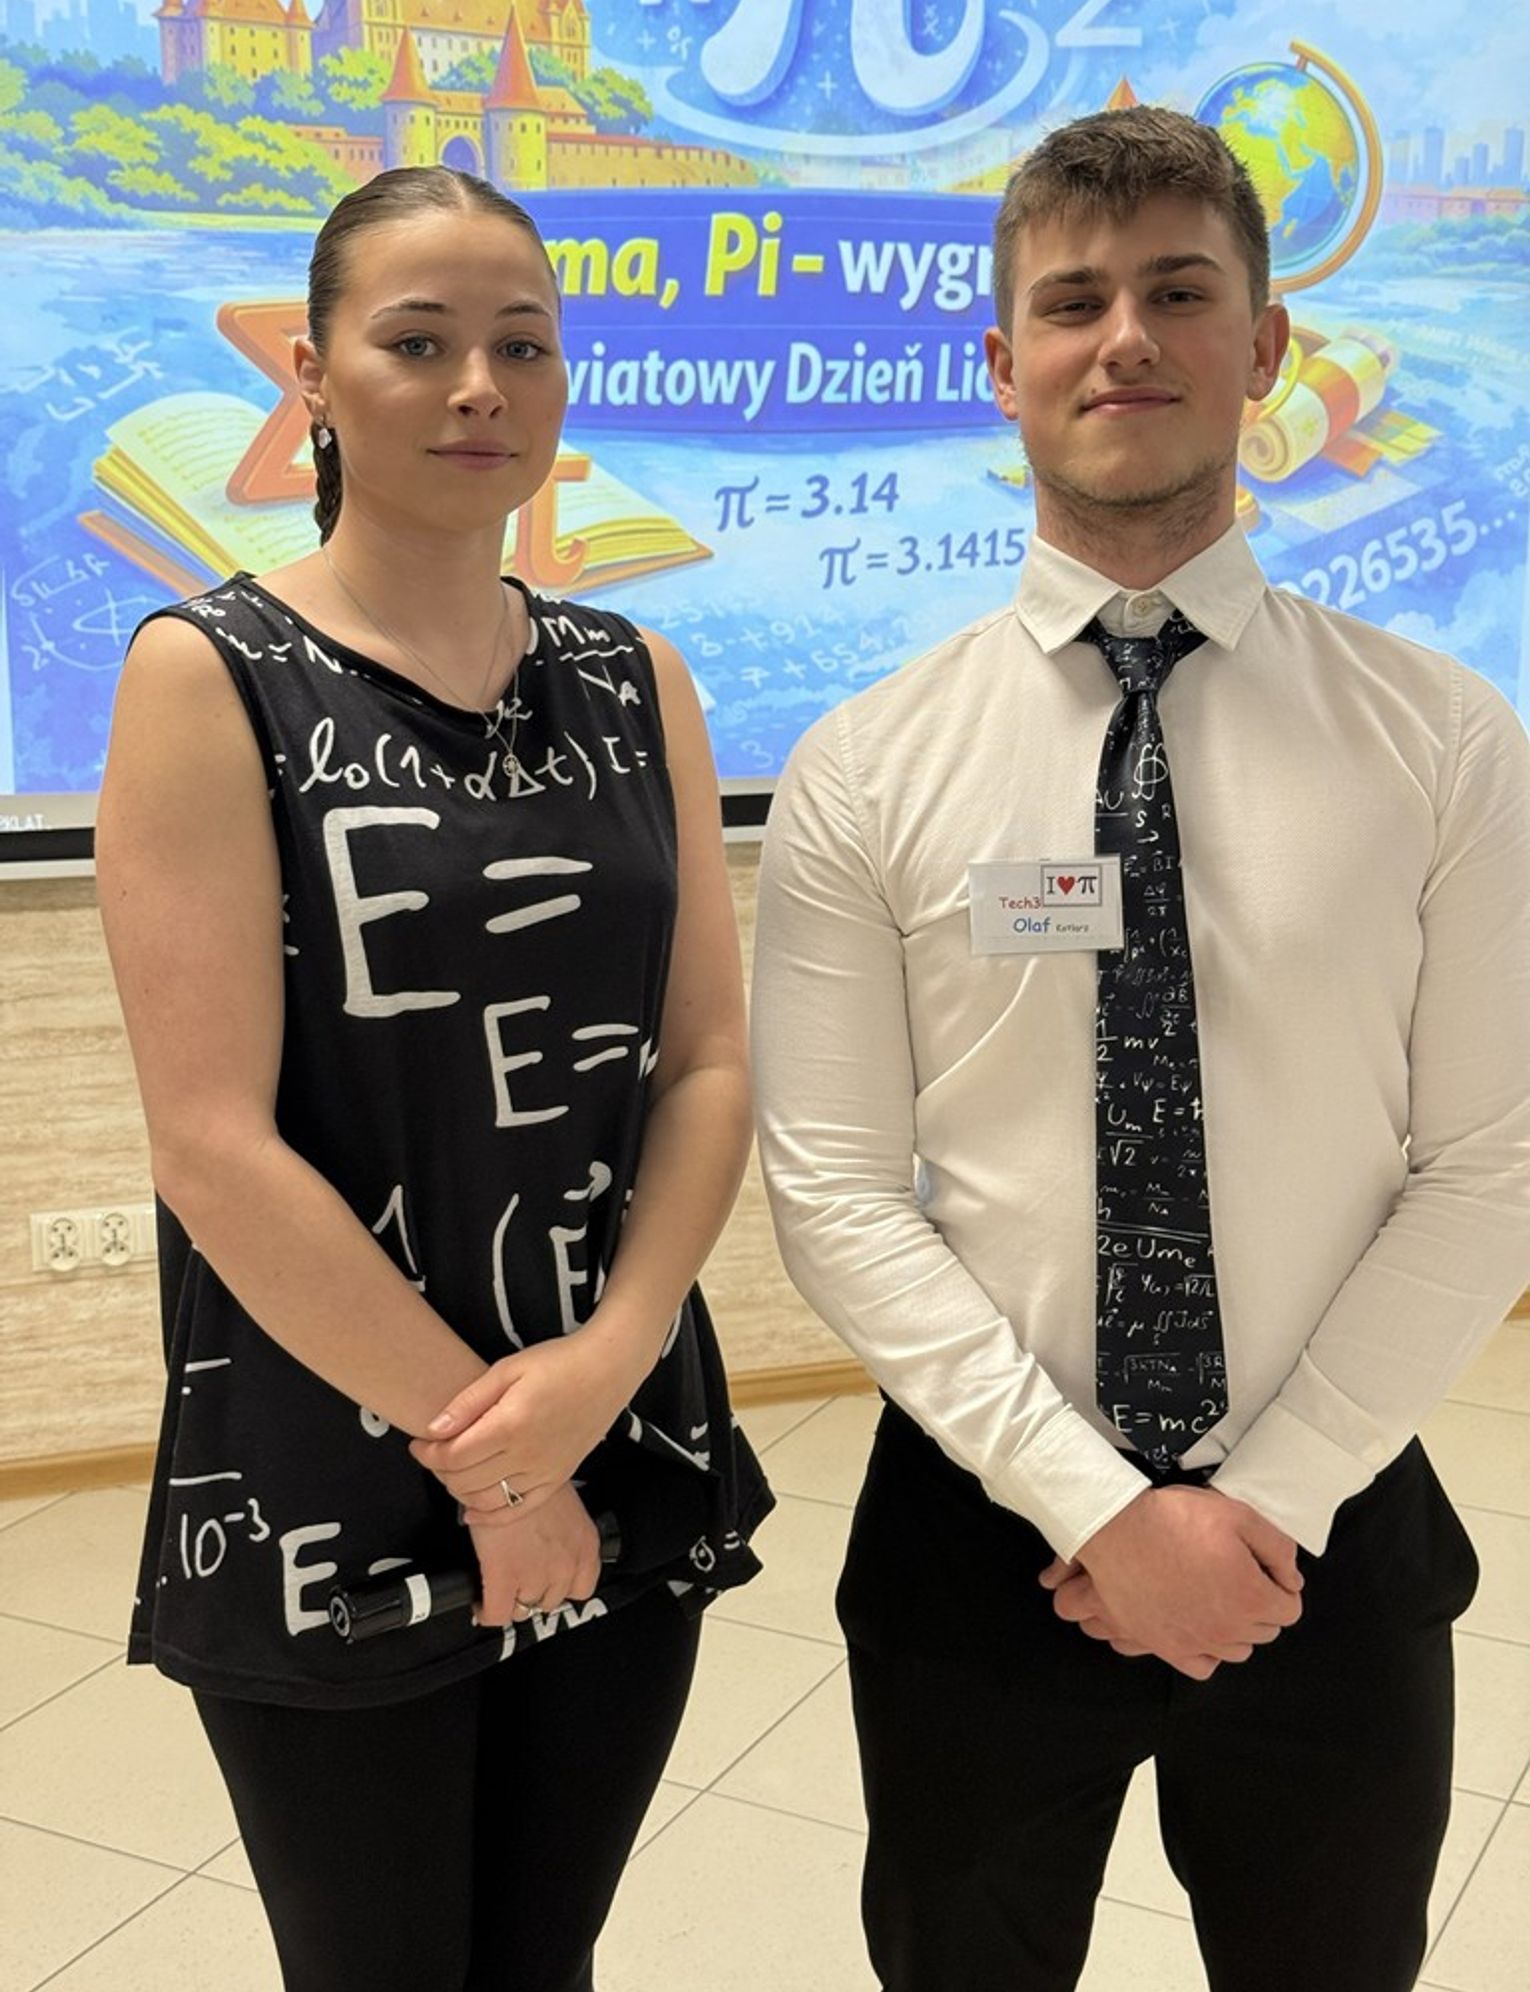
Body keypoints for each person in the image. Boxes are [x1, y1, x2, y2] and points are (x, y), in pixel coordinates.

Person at [751, 106, 1530, 1992]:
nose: (1125, 340)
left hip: (1326, 1523)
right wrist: (1098, 1509)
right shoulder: (867, 766)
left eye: (1179, 293)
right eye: (1072, 301)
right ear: (998, 359)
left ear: (1265, 346)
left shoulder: (1441, 740)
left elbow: (1492, 1158)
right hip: (982, 1531)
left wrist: (1261, 1503)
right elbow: (833, 1190)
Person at [96, 163, 770, 1992]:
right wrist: (499, 1468)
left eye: (522, 345)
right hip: (333, 1453)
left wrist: (609, 1361)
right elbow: (212, 1147)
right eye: (418, 342)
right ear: (311, 376)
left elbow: (707, 1061)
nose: (480, 386)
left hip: (615, 1413)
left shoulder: (633, 674)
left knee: (543, 1957)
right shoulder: (209, 674)